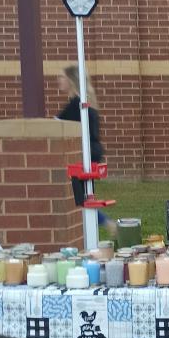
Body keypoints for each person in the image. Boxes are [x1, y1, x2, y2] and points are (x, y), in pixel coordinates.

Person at [55, 65, 112, 232]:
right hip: (93, 151)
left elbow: (56, 124)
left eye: (62, 77)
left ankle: (106, 223)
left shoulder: (77, 104)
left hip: (86, 153)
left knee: (81, 198)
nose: (59, 80)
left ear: (72, 80)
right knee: (85, 196)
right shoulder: (86, 102)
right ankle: (98, 226)